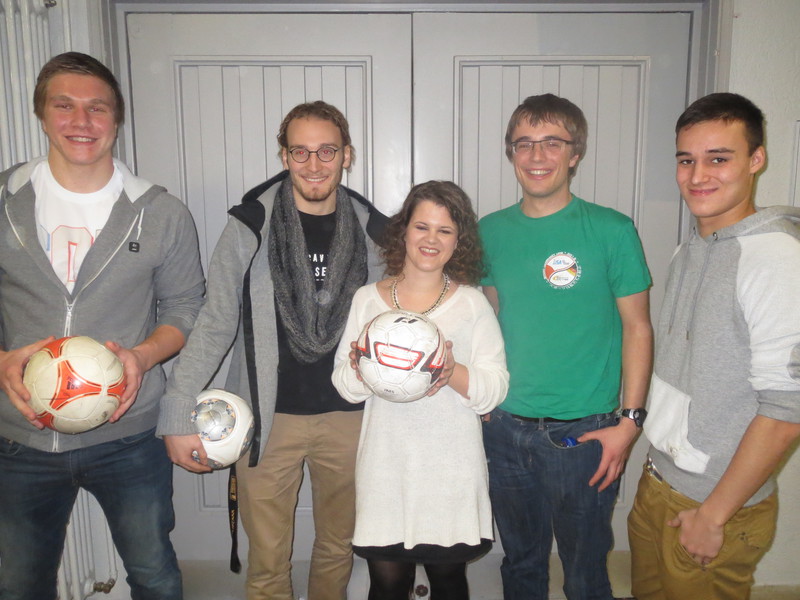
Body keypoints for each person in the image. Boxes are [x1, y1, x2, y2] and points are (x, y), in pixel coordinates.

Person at [158, 100, 386, 600]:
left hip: (350, 417)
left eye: (326, 151)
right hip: (266, 420)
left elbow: (399, 318)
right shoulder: (250, 225)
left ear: (346, 155)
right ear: (284, 156)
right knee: (267, 563)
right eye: (300, 151)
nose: (313, 164)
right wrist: (177, 410)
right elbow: (215, 321)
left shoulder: (375, 232)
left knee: (338, 547)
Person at [0, 52, 205, 600]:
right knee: (18, 584)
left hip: (129, 436)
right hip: (20, 439)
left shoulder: (160, 212)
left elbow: (186, 307)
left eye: (97, 108)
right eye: (64, 106)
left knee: (155, 576)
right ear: (42, 114)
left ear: (117, 118)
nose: (81, 121)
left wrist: (142, 356)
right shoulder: (4, 202)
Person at [478, 93, 654, 600]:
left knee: (584, 572)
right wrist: (483, 402)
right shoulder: (490, 231)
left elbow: (638, 329)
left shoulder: (612, 230)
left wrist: (630, 422)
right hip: (505, 429)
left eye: (552, 143)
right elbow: (488, 321)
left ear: (575, 153)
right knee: (521, 564)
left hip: (586, 435)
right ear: (511, 152)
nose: (537, 156)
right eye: (524, 144)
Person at [627, 92, 800, 600]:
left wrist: (714, 515)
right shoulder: (691, 249)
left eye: (718, 159)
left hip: (716, 507)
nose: (698, 175)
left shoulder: (775, 259)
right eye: (686, 160)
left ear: (756, 159)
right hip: (660, 483)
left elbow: (788, 408)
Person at [331, 180, 508, 600]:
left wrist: (451, 372)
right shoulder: (367, 300)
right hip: (386, 469)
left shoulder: (472, 304)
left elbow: (496, 387)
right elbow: (345, 387)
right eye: (422, 227)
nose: (431, 239)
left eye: (445, 230)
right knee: (387, 584)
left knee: (448, 583)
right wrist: (361, 368)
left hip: (449, 472)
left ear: (458, 241)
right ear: (404, 231)